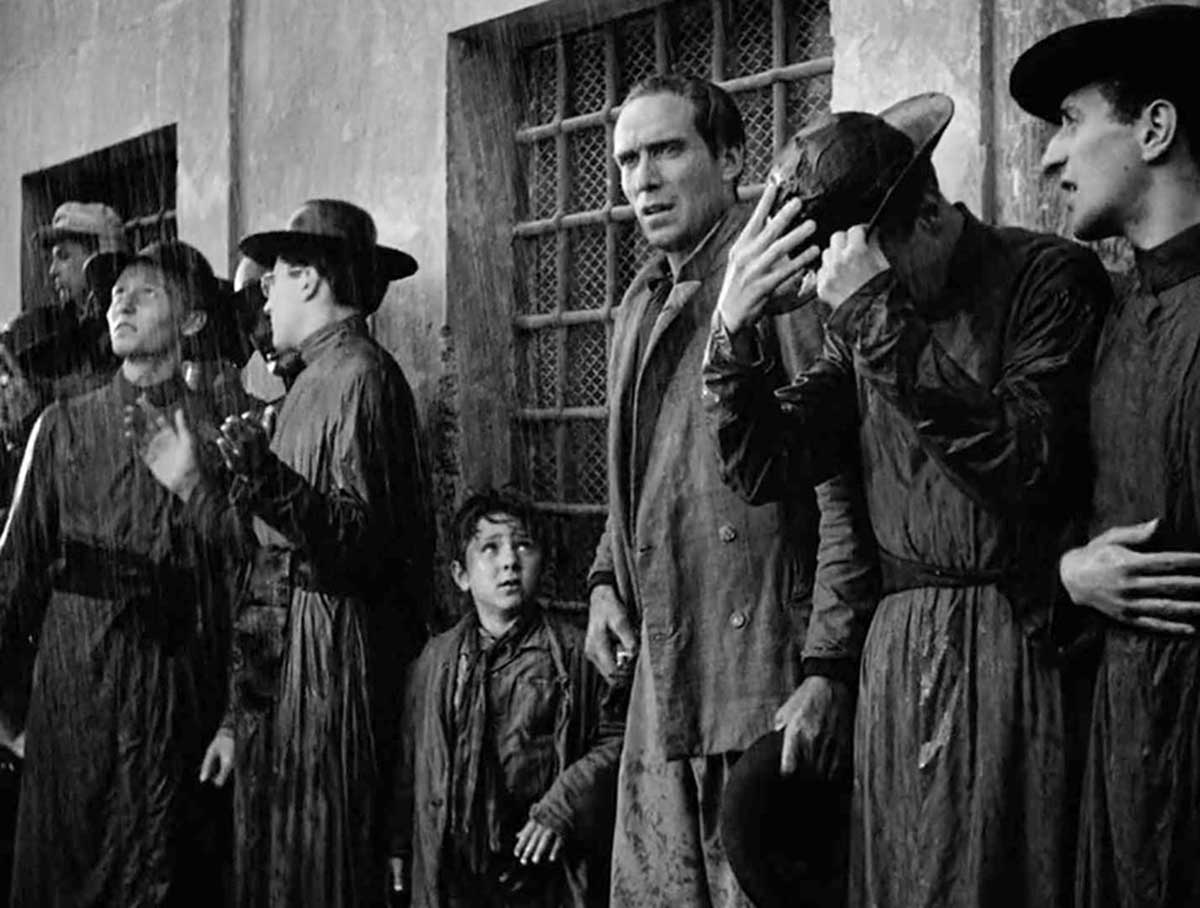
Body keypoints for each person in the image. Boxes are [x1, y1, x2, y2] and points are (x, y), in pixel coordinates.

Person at [702, 93, 1113, 907]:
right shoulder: (866, 317)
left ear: (927, 216)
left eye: (864, 268)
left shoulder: (1047, 278)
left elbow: (1026, 463)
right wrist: (733, 333)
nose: (844, 293)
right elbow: (768, 466)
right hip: (897, 661)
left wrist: (873, 311)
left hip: (1016, 645)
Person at [585, 74, 874, 907]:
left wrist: (827, 667)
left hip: (759, 675)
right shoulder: (640, 301)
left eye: (668, 151)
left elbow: (841, 492)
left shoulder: (781, 284)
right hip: (664, 672)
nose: (643, 179)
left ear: (734, 158)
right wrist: (604, 580)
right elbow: (642, 475)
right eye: (628, 160)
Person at [139, 198, 435, 907]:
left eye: (271, 280)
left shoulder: (363, 377)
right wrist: (239, 717)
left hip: (336, 661)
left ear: (308, 278)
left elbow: (365, 550)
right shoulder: (307, 385)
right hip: (292, 668)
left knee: (326, 868)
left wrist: (268, 480)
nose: (264, 299)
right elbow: (268, 567)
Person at [1011, 6, 1200, 905]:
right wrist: (1069, 574)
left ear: (1155, 129)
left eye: (1071, 120)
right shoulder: (1114, 315)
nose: (1050, 157)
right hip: (1123, 750)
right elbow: (1057, 507)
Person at [0, 240, 237, 906]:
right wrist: (8, 717)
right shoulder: (61, 429)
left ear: (192, 321)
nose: (121, 305)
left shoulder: (216, 436)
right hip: (74, 687)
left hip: (174, 690)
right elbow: (12, 576)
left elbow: (243, 585)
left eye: (147, 292)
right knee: (69, 864)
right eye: (114, 294)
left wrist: (231, 718)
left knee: (160, 867)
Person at [390, 488, 626, 907]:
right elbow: (411, 761)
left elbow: (617, 738)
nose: (509, 562)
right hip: (457, 871)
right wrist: (399, 846)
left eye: (523, 545)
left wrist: (563, 805)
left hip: (539, 867)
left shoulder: (575, 654)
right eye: (490, 548)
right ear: (461, 575)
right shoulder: (436, 661)